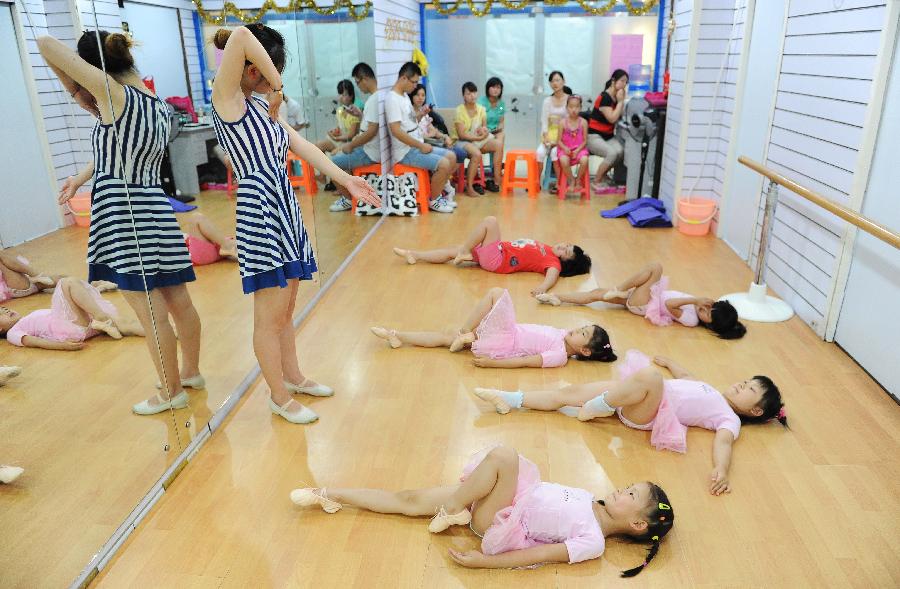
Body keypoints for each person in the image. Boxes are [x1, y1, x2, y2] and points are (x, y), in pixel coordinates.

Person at [211, 25, 380, 424]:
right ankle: (278, 395)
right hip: (260, 211)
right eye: (268, 72)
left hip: (284, 206)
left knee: (285, 310)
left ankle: (294, 377)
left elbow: (300, 146)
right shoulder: (227, 99)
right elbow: (239, 35)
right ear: (255, 70)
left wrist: (344, 179)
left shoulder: (257, 107)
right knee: (268, 315)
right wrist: (279, 86)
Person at [38, 31, 204, 415]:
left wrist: (80, 77)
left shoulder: (113, 96)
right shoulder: (155, 103)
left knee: (150, 310)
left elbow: (46, 44)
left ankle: (171, 391)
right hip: (154, 206)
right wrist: (81, 177)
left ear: (95, 68)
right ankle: (190, 373)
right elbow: (121, 147)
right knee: (178, 300)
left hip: (124, 210)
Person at [290, 445, 674, 576]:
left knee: (506, 455)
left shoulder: (593, 542)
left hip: (500, 519)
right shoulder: (589, 495)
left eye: (629, 493)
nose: (620, 489)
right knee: (408, 499)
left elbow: (537, 554)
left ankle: (456, 509)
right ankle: (327, 493)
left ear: (638, 522)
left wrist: (482, 563)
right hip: (496, 492)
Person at [474, 350, 787, 496]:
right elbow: (685, 376)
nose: (741, 386)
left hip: (648, 412)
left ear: (756, 412)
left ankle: (600, 406)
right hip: (636, 396)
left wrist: (722, 469)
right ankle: (511, 399)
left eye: (750, 391)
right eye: (745, 381)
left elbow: (723, 443)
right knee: (569, 393)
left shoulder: (729, 418)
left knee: (651, 377)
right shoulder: (709, 388)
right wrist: (671, 361)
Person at [371, 287, 616, 369]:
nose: (576, 330)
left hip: (504, 342)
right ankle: (397, 336)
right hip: (506, 332)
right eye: (582, 327)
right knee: (445, 338)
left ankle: (465, 333)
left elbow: (524, 362)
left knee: (498, 293)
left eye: (582, 334)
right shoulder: (563, 336)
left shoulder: (560, 356)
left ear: (584, 351)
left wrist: (492, 364)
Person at [536, 262, 747, 339]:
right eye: (710, 308)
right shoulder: (698, 307)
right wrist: (699, 301)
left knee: (655, 268)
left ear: (709, 323)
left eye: (708, 314)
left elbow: (668, 305)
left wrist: (695, 299)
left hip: (646, 304)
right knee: (596, 293)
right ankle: (555, 297)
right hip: (645, 297)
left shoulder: (691, 319)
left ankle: (619, 289)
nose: (704, 310)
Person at [392, 215, 591, 295]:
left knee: (490, 222)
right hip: (498, 253)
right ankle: (414, 255)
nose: (563, 247)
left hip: (498, 260)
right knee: (450, 251)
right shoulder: (547, 248)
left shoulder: (552, 262)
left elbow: (552, 275)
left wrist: (543, 288)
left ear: (565, 262)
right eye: (567, 244)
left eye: (567, 251)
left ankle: (464, 252)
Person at [385, 62, 457, 213]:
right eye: (414, 82)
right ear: (404, 78)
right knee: (444, 163)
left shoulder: (404, 96)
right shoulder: (392, 99)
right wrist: (420, 146)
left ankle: (438, 196)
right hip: (406, 152)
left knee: (451, 156)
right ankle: (434, 200)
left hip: (417, 144)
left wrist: (421, 114)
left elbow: (411, 121)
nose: (415, 86)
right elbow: (396, 131)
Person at [0, 277, 144, 350]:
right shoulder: (13, 333)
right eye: (1, 314)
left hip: (83, 324)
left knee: (126, 324)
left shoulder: (26, 319)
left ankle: (161, 334)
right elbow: (35, 342)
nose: (6, 310)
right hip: (72, 328)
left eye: (4, 308)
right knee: (67, 283)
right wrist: (62, 346)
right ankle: (102, 318)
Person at [329, 63, 381, 213]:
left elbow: (370, 132)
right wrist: (360, 115)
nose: (358, 87)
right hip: (369, 147)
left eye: (357, 82)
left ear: (364, 79)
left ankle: (347, 200)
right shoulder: (377, 98)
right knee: (337, 153)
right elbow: (371, 126)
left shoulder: (373, 100)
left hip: (369, 152)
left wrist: (351, 145)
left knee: (333, 164)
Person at [1, 248, 115, 303]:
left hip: (17, 283)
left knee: (60, 278)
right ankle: (36, 275)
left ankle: (90, 286)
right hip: (14, 286)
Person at [408, 84, 458, 207]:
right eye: (417, 95)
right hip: (419, 146)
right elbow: (418, 135)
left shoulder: (424, 113)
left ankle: (443, 190)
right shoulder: (409, 112)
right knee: (446, 159)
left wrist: (445, 136)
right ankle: (438, 195)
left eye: (423, 95)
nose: (420, 98)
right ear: (411, 96)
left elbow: (433, 131)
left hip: (428, 142)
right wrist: (430, 136)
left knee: (452, 154)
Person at [451, 82, 502, 195]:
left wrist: (484, 131)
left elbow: (484, 126)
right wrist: (479, 138)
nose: (472, 95)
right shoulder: (459, 110)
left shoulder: (482, 109)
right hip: (461, 142)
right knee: (477, 154)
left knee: (498, 144)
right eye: (468, 93)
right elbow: (461, 135)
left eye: (474, 92)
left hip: (477, 139)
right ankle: (469, 187)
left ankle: (497, 179)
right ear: (464, 96)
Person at [587, 69, 627, 192]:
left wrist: (621, 101)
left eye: (626, 82)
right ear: (613, 81)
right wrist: (620, 102)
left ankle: (603, 174)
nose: (624, 84)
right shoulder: (605, 97)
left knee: (621, 152)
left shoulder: (616, 97)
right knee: (612, 153)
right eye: (622, 81)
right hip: (594, 136)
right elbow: (612, 118)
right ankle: (596, 180)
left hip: (608, 136)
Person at [315, 79, 362, 155]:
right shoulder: (339, 110)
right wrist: (335, 132)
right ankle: (322, 165)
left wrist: (337, 138)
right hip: (340, 140)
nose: (341, 97)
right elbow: (340, 127)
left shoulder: (354, 111)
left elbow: (351, 135)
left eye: (344, 95)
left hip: (350, 143)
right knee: (317, 146)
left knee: (333, 154)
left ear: (351, 96)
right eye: (340, 94)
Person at [536, 71, 569, 181]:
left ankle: (559, 184)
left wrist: (559, 141)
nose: (555, 83)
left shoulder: (569, 100)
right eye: (552, 81)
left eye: (557, 80)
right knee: (539, 153)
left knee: (555, 153)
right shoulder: (547, 101)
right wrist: (546, 138)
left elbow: (571, 124)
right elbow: (544, 122)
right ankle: (536, 182)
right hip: (550, 135)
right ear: (550, 84)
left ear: (563, 81)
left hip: (564, 138)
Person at [556, 95, 589, 195]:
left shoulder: (583, 122)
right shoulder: (562, 122)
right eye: (571, 107)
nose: (573, 110)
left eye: (576, 107)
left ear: (580, 108)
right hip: (565, 149)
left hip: (579, 149)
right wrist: (565, 148)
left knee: (584, 160)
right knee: (563, 160)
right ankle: (571, 180)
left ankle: (578, 179)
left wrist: (577, 150)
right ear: (566, 108)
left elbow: (585, 141)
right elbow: (558, 141)